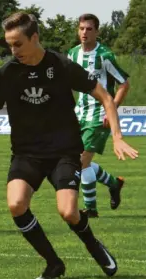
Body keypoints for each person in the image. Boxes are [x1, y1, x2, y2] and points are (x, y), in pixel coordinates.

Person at [0, 12, 138, 279]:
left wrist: (118, 135)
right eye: (9, 45)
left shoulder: (62, 65)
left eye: (18, 44)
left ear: (34, 38)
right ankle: (54, 264)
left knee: (68, 212)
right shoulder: (8, 72)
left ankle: (93, 245)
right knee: (16, 204)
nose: (13, 51)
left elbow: (106, 97)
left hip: (64, 151)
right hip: (26, 153)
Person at [68, 14, 130, 217]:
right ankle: (113, 183)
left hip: (99, 115)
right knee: (76, 160)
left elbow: (124, 84)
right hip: (79, 114)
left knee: (80, 161)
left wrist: (112, 107)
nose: (84, 33)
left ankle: (91, 209)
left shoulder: (104, 56)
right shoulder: (72, 54)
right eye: (81, 28)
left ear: (97, 31)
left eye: (89, 29)